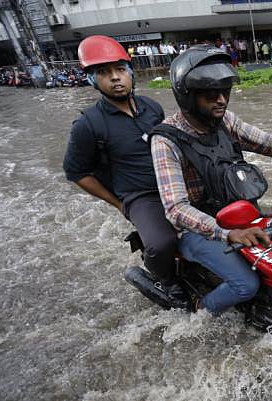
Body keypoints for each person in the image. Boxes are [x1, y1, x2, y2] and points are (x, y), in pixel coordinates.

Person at [149, 45, 272, 315]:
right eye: (211, 94)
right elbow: (176, 208)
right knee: (245, 284)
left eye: (225, 92)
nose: (221, 100)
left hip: (242, 216)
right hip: (199, 230)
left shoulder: (225, 121)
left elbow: (270, 144)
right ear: (188, 96)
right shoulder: (166, 141)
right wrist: (226, 234)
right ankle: (199, 308)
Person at [62, 35, 187, 307]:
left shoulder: (152, 107)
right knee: (160, 244)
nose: (115, 78)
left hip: (174, 183)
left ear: (131, 72)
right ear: (92, 80)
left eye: (120, 69)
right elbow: (76, 173)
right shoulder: (88, 124)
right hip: (139, 195)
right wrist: (120, 204)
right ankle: (165, 281)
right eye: (104, 73)